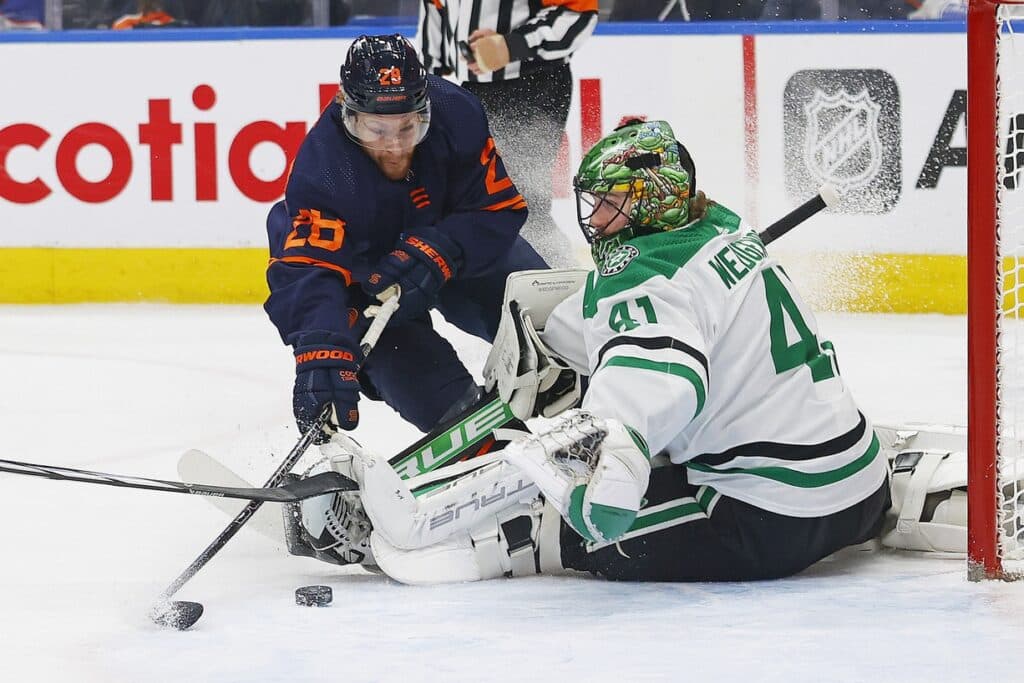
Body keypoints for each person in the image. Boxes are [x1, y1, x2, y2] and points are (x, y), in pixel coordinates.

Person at [286, 118, 914, 582]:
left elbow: (658, 376)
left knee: (552, 520)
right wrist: (559, 344)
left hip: (766, 516)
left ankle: (416, 538)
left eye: (611, 202)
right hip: (859, 486)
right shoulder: (722, 229)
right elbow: (653, 328)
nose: (595, 217)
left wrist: (615, 466)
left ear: (651, 199)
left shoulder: (642, 280)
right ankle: (917, 487)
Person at [264, 34, 547, 444]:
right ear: (348, 111)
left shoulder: (456, 113)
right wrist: (320, 347)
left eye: (408, 127)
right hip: (370, 290)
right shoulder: (322, 169)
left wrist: (444, 248)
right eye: (377, 130)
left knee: (554, 327)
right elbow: (308, 270)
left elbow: (497, 207)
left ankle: (614, 412)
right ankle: (485, 444)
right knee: (439, 397)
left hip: (461, 257)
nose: (395, 146)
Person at [415, 0, 598, 269]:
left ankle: (556, 278)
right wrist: (427, 82)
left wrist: (513, 45)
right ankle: (496, 278)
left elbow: (578, 11)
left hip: (533, 83)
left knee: (519, 200)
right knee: (470, 197)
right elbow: (436, 8)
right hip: (471, 90)